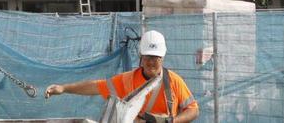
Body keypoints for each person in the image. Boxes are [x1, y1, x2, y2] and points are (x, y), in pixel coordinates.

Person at [44, 30, 199, 123]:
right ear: (140, 56)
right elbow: (95, 87)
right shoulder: (127, 80)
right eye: (147, 57)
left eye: (155, 58)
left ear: (162, 57)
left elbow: (193, 110)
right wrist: (64, 88)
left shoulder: (174, 81)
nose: (151, 62)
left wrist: (172, 121)